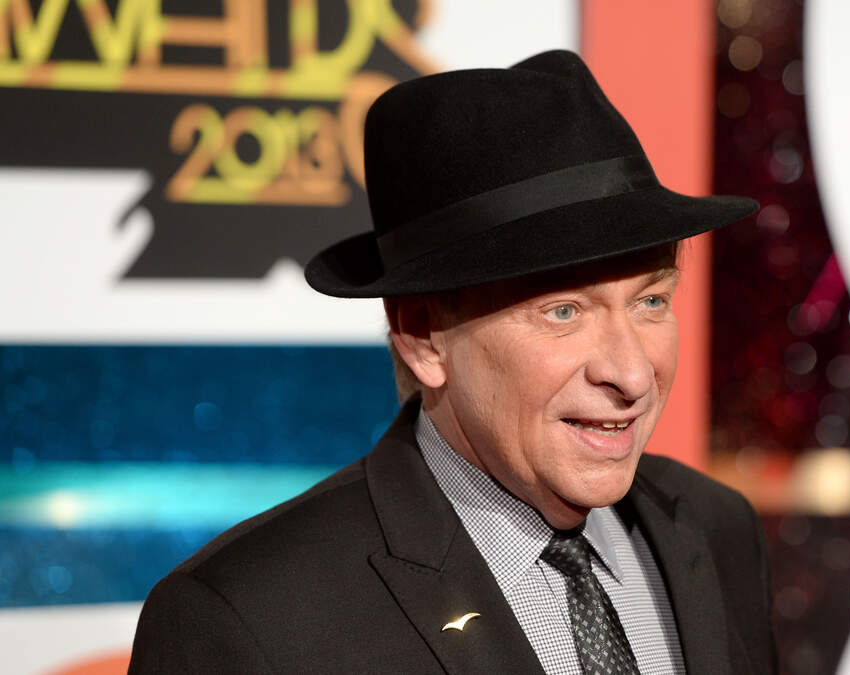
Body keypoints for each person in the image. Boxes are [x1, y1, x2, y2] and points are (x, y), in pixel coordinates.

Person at [130, 49, 775, 674]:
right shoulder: (245, 620)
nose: (632, 375)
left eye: (651, 301)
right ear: (423, 336)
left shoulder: (718, 527)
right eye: (563, 312)